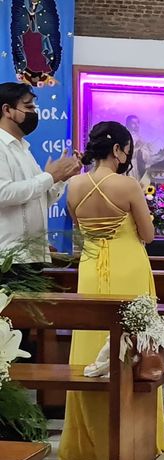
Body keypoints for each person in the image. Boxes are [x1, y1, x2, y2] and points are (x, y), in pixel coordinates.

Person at [58, 121, 164, 460]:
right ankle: (134, 435)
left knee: (90, 348)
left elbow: (77, 225)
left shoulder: (74, 185)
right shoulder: (128, 185)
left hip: (90, 269)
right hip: (129, 267)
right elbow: (149, 235)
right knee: (134, 350)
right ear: (119, 150)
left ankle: (90, 440)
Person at [0, 81, 81, 355]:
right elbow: (4, 193)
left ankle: (18, 390)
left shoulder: (23, 148)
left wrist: (59, 180)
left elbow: (40, 196)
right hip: (8, 256)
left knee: (21, 333)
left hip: (31, 254)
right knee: (7, 333)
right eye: (29, 107)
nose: (35, 112)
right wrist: (49, 176)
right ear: (7, 110)